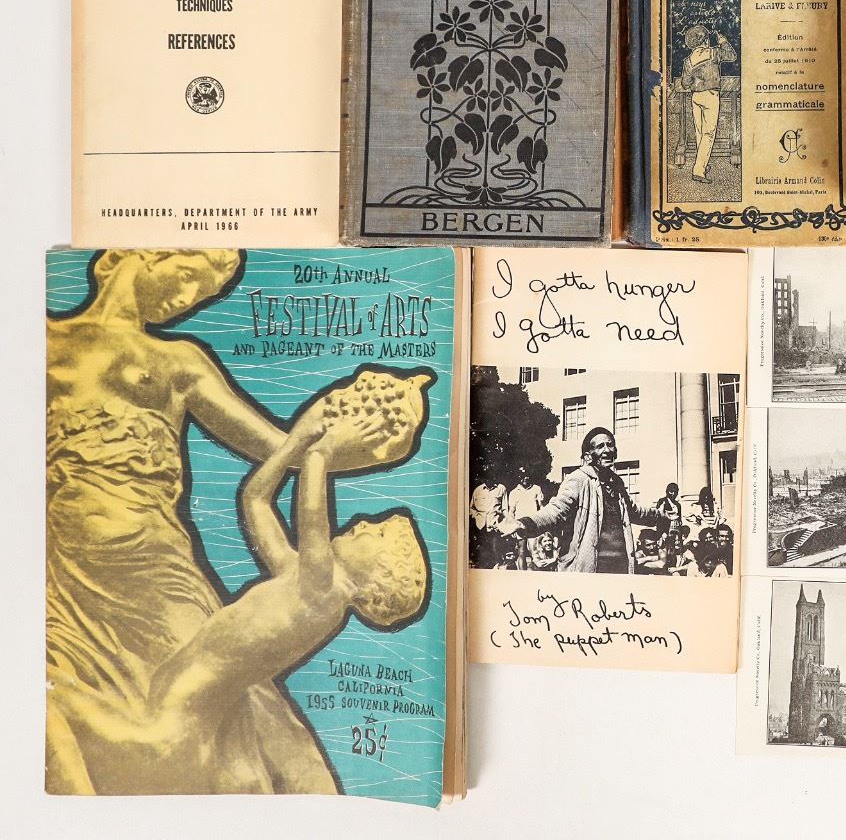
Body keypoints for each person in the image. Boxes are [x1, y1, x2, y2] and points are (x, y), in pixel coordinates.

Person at [46, 249, 344, 794]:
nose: (185, 299)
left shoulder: (179, 360)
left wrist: (341, 440)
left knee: (235, 698)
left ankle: (314, 810)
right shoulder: (39, 338)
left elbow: (273, 446)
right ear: (145, 254)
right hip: (62, 565)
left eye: (200, 293)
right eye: (186, 277)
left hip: (155, 562)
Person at [54, 413, 427, 794]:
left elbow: (312, 511)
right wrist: (295, 443)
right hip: (169, 715)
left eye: (377, 534)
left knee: (48, 714)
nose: (363, 522)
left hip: (171, 728)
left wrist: (326, 448)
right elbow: (255, 500)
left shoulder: (325, 594)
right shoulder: (299, 579)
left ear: (374, 583)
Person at [500, 426, 654, 574]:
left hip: (620, 567)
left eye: (610, 445)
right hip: (591, 568)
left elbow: (635, 512)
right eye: (600, 446)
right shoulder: (578, 479)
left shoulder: (617, 483)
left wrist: (661, 516)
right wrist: (525, 523)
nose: (607, 450)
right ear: (588, 456)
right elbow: (556, 510)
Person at [678, 25, 735, 181]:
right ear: (704, 40)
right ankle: (698, 171)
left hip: (696, 97)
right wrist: (723, 41)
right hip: (710, 95)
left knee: (700, 132)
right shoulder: (713, 53)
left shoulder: (688, 60)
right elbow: (732, 55)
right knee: (708, 134)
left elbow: (685, 83)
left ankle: (702, 163)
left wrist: (696, 81)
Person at [470, 480, 508, 568]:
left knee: (496, 550)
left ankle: (497, 569)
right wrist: (476, 517)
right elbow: (472, 508)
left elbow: (505, 509)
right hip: (481, 526)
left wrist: (504, 523)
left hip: (495, 525)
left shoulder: (501, 488)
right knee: (483, 552)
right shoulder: (478, 490)